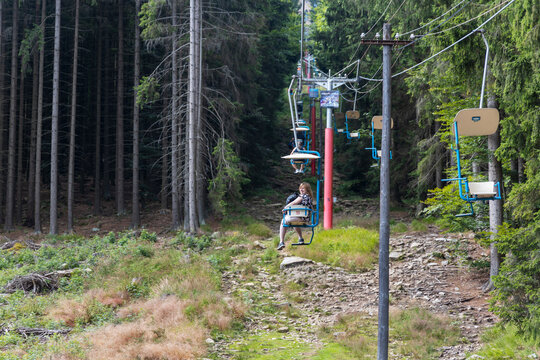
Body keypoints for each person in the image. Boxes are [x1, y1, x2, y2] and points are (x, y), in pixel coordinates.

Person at [278, 182, 314, 250]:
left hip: (300, 217)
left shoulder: (302, 196)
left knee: (283, 222)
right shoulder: (310, 198)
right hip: (305, 219)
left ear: (307, 189)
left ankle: (281, 242)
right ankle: (300, 238)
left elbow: (294, 202)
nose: (301, 190)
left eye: (303, 188)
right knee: (295, 223)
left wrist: (285, 208)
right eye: (300, 188)